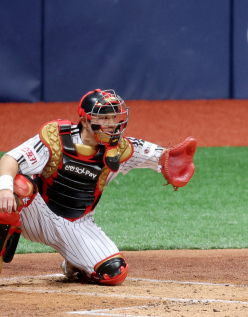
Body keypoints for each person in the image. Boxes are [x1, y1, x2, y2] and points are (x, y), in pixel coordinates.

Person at [0, 89, 196, 285]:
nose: (111, 123)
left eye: (113, 117)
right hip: (35, 213)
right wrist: (5, 189)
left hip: (77, 225)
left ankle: (75, 263)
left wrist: (174, 162)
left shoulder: (121, 148)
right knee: (17, 186)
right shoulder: (56, 138)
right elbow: (10, 159)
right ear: (85, 121)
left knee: (114, 273)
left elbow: (164, 157)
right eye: (104, 117)